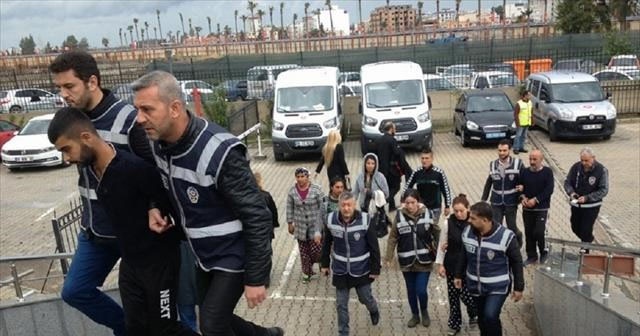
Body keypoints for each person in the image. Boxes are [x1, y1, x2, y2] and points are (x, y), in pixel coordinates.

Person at [132, 71, 283, 336]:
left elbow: (257, 215)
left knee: (212, 326)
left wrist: (257, 277)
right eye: (137, 109)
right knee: (214, 318)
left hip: (234, 254)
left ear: (175, 108)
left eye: (147, 109)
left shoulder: (219, 151)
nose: (139, 119)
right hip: (203, 254)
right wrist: (155, 205)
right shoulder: (158, 143)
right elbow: (164, 183)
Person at [47, 107, 197, 335]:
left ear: (86, 137)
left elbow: (169, 198)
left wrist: (155, 207)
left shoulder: (133, 168)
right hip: (130, 265)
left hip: (160, 264)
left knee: (165, 329)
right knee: (133, 327)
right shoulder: (95, 171)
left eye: (67, 149)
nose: (67, 158)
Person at [50, 51, 151, 335]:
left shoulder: (129, 121)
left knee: (164, 307)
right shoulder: (72, 120)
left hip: (133, 233)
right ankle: (130, 329)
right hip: (94, 231)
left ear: (92, 81)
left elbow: (154, 174)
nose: (63, 94)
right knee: (74, 291)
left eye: (69, 86)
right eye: (58, 87)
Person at [454, 202, 524, 336]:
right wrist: (458, 275)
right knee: (482, 318)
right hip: (475, 286)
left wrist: (519, 287)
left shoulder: (506, 237)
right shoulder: (468, 232)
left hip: (497, 287)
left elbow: (517, 262)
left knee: (490, 316)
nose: (469, 220)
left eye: (473, 218)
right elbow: (464, 254)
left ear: (485, 220)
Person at [321, 192, 381, 336]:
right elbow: (326, 243)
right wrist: (324, 264)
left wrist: (375, 269)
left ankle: (373, 309)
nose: (346, 208)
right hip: (341, 270)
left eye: (349, 205)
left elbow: (374, 247)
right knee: (341, 304)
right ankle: (343, 332)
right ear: (339, 206)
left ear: (354, 205)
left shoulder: (365, 220)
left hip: (361, 269)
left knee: (365, 297)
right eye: (343, 205)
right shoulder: (330, 220)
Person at [385, 189, 440, 328]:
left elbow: (437, 233)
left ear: (418, 202)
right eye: (407, 202)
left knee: (421, 290)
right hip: (406, 261)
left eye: (413, 202)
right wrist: (389, 257)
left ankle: (424, 311)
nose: (410, 206)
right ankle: (415, 315)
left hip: (425, 260)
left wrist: (441, 255)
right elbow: (392, 238)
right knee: (411, 290)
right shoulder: (399, 216)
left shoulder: (428, 214)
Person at [435, 194, 478, 336]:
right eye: (456, 211)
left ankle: (474, 313)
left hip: (469, 266)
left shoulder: (474, 223)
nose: (459, 214)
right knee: (453, 296)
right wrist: (440, 265)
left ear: (468, 209)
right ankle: (454, 324)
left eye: (462, 211)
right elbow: (442, 244)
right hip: (452, 264)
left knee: (467, 296)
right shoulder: (448, 222)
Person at [286, 167, 326, 284]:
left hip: (315, 227)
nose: (300, 179)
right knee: (304, 252)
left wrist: (324, 223)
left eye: (302, 176)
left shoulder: (317, 190)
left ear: (307, 177)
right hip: (301, 228)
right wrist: (290, 223)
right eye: (298, 177)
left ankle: (320, 261)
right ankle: (307, 273)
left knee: (317, 251)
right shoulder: (292, 191)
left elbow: (323, 207)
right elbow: (289, 208)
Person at [563, 147, 609, 251]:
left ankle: (585, 251)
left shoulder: (601, 170)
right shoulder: (576, 167)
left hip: (591, 206)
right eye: (582, 160)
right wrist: (571, 193)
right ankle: (588, 240)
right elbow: (567, 182)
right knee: (575, 227)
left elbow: (604, 190)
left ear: (593, 158)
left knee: (585, 229)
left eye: (586, 160)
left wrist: (588, 198)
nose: (583, 163)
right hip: (576, 205)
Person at [481, 139, 524, 247]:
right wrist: (483, 199)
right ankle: (499, 246)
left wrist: (523, 189)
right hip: (496, 202)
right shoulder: (492, 165)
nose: (501, 153)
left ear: (509, 150)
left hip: (511, 201)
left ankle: (517, 242)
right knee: (496, 226)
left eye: (504, 150)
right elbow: (489, 182)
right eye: (499, 150)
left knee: (512, 227)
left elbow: (525, 179)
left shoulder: (518, 164)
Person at [518, 149, 554, 265]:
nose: (532, 162)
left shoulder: (547, 172)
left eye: (535, 159)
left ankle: (544, 252)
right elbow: (519, 187)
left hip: (541, 208)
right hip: (527, 208)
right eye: (530, 159)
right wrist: (523, 198)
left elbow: (549, 190)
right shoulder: (524, 172)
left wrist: (536, 200)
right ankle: (531, 255)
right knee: (529, 232)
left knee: (539, 231)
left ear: (541, 159)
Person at [404, 148, 452, 225]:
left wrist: (447, 206)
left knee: (432, 227)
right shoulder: (416, 172)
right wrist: (404, 201)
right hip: (420, 206)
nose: (424, 160)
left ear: (432, 159)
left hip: (435, 207)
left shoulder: (439, 173)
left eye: (427, 158)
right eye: (422, 158)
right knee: (421, 227)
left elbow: (446, 190)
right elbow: (407, 187)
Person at [376, 122, 411, 210]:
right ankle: (385, 201)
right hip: (392, 170)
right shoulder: (392, 140)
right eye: (394, 129)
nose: (395, 130)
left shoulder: (379, 140)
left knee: (388, 187)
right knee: (395, 187)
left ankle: (392, 206)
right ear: (391, 129)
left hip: (381, 169)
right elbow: (397, 152)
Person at [254, 171, 279, 288]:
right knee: (266, 253)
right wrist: (274, 225)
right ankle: (265, 279)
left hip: (251, 231)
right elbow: (273, 212)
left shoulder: (245, 196)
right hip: (265, 231)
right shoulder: (266, 196)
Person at [513, 90, 532, 154]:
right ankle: (516, 148)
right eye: (529, 95)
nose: (530, 96)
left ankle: (521, 147)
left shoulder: (530, 103)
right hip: (520, 123)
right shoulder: (519, 103)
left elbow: (531, 112)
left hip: (527, 122)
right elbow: (515, 114)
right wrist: (517, 123)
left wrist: (532, 120)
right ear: (525, 95)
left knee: (524, 136)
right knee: (518, 136)